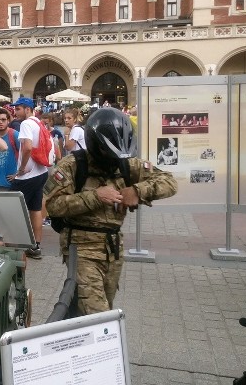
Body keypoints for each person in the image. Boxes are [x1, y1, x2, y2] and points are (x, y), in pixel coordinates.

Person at [44, 108, 177, 315]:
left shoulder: (126, 163)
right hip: (81, 248)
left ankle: (76, 339)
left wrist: (137, 190)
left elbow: (169, 181)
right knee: (97, 314)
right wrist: (96, 196)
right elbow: (53, 206)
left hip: (113, 249)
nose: (115, 161)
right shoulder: (72, 165)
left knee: (100, 306)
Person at [9, 97, 50, 259]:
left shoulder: (26, 124)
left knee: (13, 210)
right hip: (41, 172)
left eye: (18, 108)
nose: (15, 111)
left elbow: (26, 148)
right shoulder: (39, 123)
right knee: (35, 209)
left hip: (28, 176)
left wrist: (21, 169)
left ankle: (15, 248)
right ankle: (36, 246)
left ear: (27, 109)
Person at [0, 107, 19, 191]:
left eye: (3, 119)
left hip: (9, 183)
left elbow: (27, 154)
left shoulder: (14, 135)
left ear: (8, 121)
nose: (1, 122)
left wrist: (18, 173)